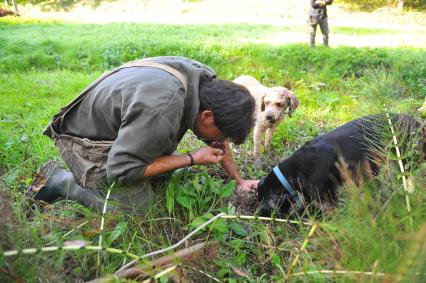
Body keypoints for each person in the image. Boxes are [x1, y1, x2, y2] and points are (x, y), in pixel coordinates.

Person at [29, 56, 258, 213]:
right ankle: (61, 182)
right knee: (137, 209)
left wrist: (239, 181)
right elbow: (121, 169)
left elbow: (217, 139)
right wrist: (192, 158)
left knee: (165, 177)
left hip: (123, 126)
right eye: (221, 133)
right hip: (84, 141)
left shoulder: (204, 82)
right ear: (207, 116)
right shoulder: (162, 108)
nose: (219, 140)